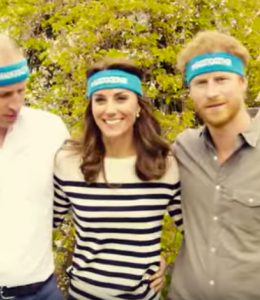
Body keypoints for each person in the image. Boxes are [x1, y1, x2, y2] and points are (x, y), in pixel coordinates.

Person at [53, 57, 183, 300]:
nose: (110, 109)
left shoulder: (166, 165)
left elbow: (197, 233)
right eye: (100, 99)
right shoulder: (69, 163)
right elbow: (40, 226)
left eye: (121, 98)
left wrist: (160, 257)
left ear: (138, 106)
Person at [0, 33, 69, 300]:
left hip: (42, 292)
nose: (16, 104)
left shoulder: (50, 129)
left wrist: (138, 257)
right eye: (3, 94)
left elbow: (87, 196)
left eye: (21, 90)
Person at [168, 30, 260, 300]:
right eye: (201, 82)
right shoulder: (183, 149)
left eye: (221, 79)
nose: (212, 92)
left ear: (242, 82)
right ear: (190, 91)